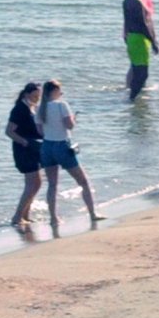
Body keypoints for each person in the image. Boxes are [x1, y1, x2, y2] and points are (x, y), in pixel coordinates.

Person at [38, 81, 101, 229]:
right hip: (61, 145)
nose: (61, 94)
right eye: (60, 91)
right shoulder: (61, 105)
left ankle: (53, 218)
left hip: (47, 146)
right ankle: (92, 213)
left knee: (52, 185)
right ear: (54, 91)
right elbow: (69, 125)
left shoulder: (41, 108)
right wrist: (73, 119)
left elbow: (40, 132)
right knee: (83, 181)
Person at [6, 82, 45, 227]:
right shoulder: (19, 109)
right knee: (32, 183)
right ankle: (17, 216)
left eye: (39, 96)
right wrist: (24, 142)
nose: (37, 98)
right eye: (35, 96)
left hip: (33, 149)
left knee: (37, 183)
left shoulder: (32, 108)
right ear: (26, 94)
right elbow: (9, 131)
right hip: (24, 150)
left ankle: (25, 215)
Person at [123, 0, 159, 101]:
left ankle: (132, 96)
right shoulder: (138, 1)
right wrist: (153, 41)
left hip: (132, 37)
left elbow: (126, 21)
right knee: (142, 73)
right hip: (139, 38)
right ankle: (132, 99)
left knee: (137, 70)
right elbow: (144, 24)